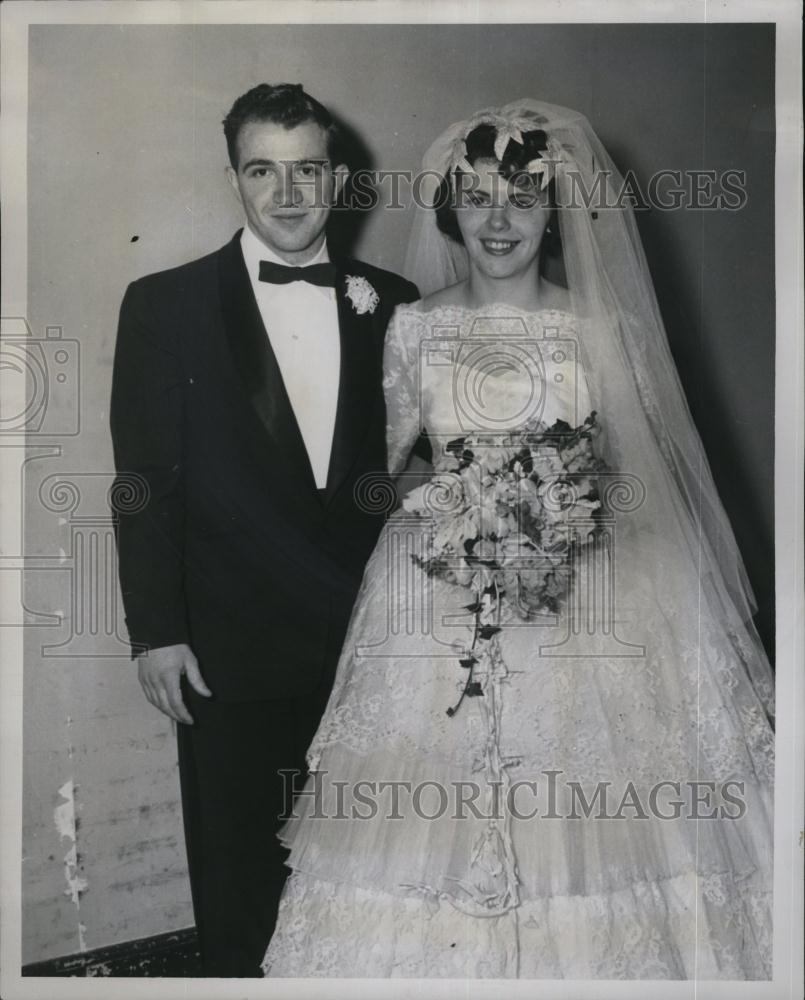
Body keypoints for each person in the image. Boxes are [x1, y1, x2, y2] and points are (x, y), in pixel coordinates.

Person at [261, 100, 775, 979]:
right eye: (478, 197)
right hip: (436, 591)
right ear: (450, 210)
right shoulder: (414, 326)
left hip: (588, 591)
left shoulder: (597, 328)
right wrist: (455, 502)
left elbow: (633, 474)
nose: (499, 220)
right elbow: (382, 474)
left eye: (524, 197)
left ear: (557, 210)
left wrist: (561, 509)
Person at [109, 82, 418, 977]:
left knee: (361, 876)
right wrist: (156, 631)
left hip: (371, 646)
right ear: (235, 179)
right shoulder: (162, 306)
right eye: (262, 171)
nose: (287, 195)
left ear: (339, 176)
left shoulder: (395, 302)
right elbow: (142, 486)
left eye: (307, 170)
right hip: (226, 647)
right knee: (243, 880)